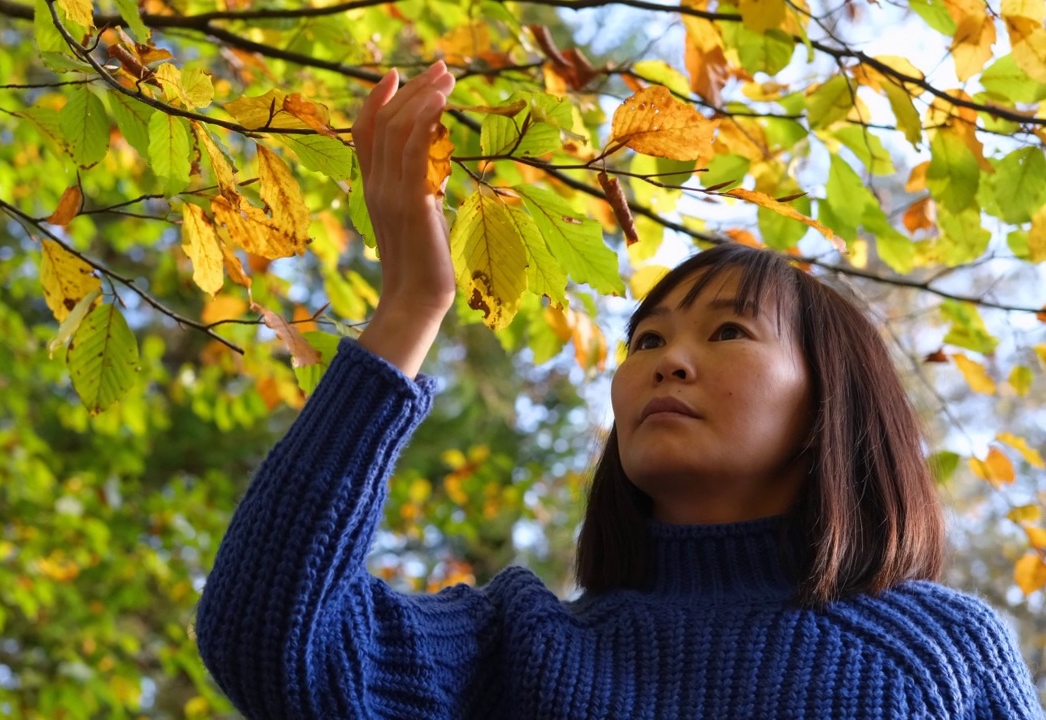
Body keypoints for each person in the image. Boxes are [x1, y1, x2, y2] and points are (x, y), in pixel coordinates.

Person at [193, 60, 1044, 719]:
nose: (666, 362)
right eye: (646, 340)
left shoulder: (935, 652)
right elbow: (274, 641)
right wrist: (412, 306)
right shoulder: (521, 646)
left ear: (832, 402)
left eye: (727, 332)